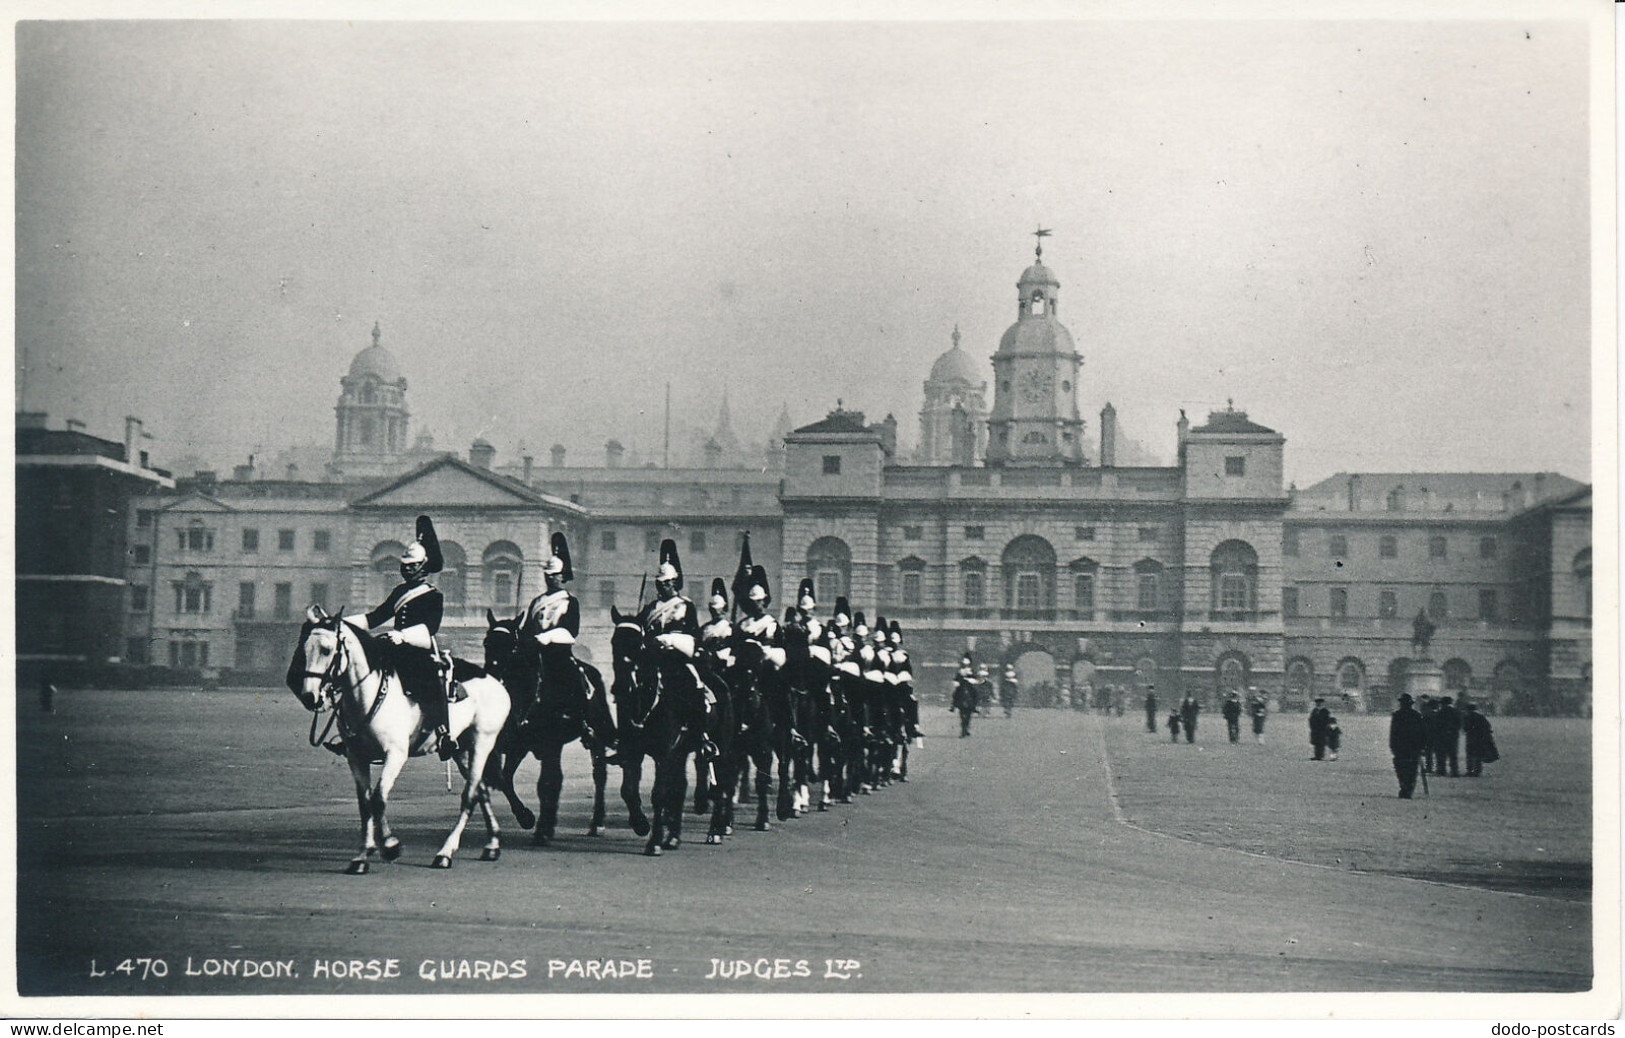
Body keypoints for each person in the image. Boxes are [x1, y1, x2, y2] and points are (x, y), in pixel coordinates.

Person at [343, 515, 453, 757]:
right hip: (394, 648)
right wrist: (341, 623)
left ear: (423, 567)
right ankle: (352, 732)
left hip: (418, 651)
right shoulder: (399, 592)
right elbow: (375, 617)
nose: (407, 570)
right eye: (405, 565)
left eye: (413, 566)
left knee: (432, 683)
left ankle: (444, 734)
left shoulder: (433, 595)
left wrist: (403, 636)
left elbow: (429, 628)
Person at [518, 531, 616, 753]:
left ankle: (587, 725)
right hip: (535, 655)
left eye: (554, 575)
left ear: (563, 577)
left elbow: (571, 631)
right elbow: (527, 629)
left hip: (558, 655)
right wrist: (524, 640)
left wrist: (544, 638)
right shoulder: (537, 601)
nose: (550, 578)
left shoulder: (569, 602)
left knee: (579, 680)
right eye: (548, 575)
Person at [1388, 692, 1429, 798]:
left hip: (1400, 747)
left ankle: (1404, 787)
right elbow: (1423, 733)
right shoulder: (1417, 716)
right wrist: (1423, 746)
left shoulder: (1397, 715)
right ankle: (1408, 789)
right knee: (1412, 770)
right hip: (1414, 748)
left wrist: (1392, 746)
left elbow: (1393, 733)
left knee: (1401, 769)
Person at [1462, 701, 1498, 776]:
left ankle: (1470, 771)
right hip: (1480, 738)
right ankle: (1478, 771)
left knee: (1470, 755)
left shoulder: (1467, 717)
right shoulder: (1481, 716)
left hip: (1471, 738)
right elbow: (1488, 726)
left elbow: (1466, 728)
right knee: (1478, 755)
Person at [951, 655, 981, 737]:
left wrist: (970, 680)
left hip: (969, 685)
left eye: (966, 665)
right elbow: (956, 679)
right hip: (961, 685)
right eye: (964, 665)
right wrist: (957, 682)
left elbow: (974, 679)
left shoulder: (971, 671)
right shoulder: (959, 671)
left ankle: (975, 707)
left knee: (975, 693)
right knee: (955, 693)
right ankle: (953, 705)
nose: (965, 666)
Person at [1433, 695, 1462, 777]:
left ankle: (1441, 770)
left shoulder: (1440, 712)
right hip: (1453, 737)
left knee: (1441, 754)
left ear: (1443, 704)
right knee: (1453, 754)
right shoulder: (1456, 711)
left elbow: (1436, 725)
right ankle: (1454, 771)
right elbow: (1459, 724)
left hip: (1441, 737)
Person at [1418, 695, 1439, 773]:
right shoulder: (1435, 713)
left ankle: (1429, 767)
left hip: (1428, 735)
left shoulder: (1427, 713)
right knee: (1434, 752)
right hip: (1434, 735)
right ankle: (1436, 768)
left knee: (1429, 752)